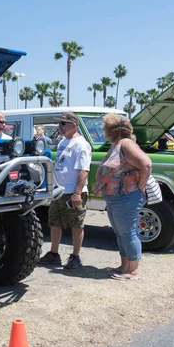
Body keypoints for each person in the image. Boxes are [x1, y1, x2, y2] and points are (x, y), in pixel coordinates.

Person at [93, 113, 152, 280]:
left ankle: (133, 271)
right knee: (121, 233)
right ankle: (125, 265)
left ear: (114, 130)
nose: (104, 131)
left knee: (128, 232)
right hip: (116, 198)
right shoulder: (117, 144)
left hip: (126, 197)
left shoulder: (126, 144)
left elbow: (146, 164)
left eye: (106, 128)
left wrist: (140, 185)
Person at [39, 111, 92, 269]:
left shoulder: (81, 144)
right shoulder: (62, 142)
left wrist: (77, 193)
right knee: (55, 223)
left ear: (73, 126)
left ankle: (75, 257)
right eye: (59, 123)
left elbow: (83, 171)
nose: (59, 127)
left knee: (76, 225)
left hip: (73, 193)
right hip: (59, 192)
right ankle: (54, 254)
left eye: (63, 124)